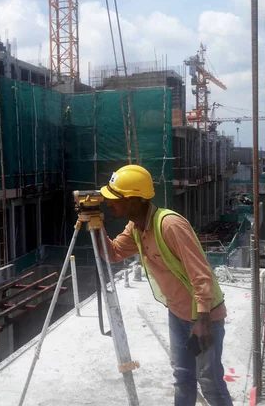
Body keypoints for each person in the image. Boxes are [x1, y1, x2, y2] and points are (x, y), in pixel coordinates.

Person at [97, 164, 233, 406]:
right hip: (177, 313)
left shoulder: (170, 225)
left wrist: (203, 322)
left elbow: (200, 274)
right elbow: (114, 253)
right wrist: (95, 224)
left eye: (115, 198)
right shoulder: (136, 227)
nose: (109, 202)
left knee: (209, 380)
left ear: (134, 200)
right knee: (182, 377)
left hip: (203, 316)